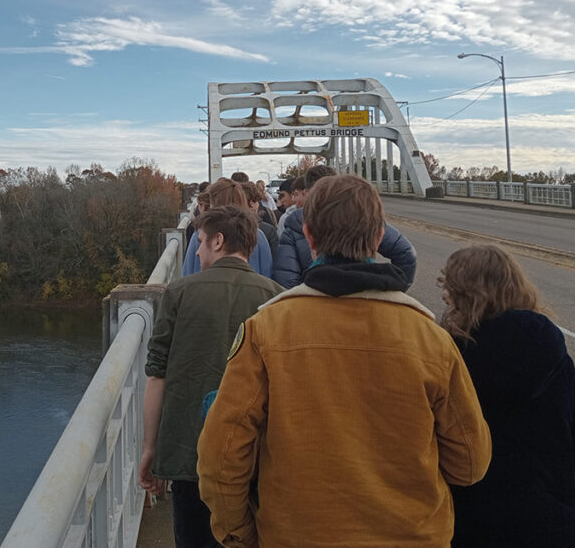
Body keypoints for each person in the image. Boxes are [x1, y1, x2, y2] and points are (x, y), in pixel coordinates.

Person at [197, 174, 491, 548]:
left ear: (308, 235)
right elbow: (469, 464)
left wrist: (240, 534)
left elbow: (220, 458)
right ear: (378, 238)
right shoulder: (430, 339)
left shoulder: (265, 330)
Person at [439, 245, 575, 548]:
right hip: (549, 525)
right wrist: (558, 496)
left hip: (470, 523)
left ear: (459, 294)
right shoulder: (547, 349)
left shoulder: (448, 357)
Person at [140, 205, 283, 548]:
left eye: (201, 242)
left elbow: (156, 377)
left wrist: (151, 448)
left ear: (218, 241)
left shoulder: (179, 293)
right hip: (253, 452)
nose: (198, 250)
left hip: (190, 452)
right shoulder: (277, 298)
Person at [272, 165, 418, 288]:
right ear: (379, 236)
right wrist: (393, 291)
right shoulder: (417, 321)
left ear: (309, 236)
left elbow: (286, 280)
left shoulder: (293, 223)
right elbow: (406, 253)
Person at [182, 179, 273, 278]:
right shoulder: (257, 235)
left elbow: (188, 273)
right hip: (252, 290)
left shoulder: (201, 235)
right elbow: (266, 272)